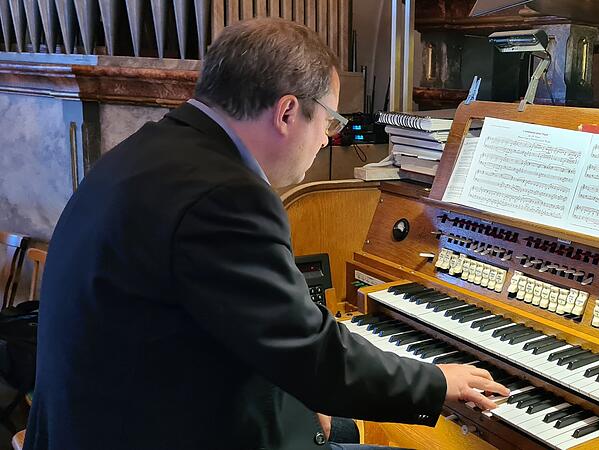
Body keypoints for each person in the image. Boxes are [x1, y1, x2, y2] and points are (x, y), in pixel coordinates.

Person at [24, 17, 508, 450]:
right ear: (287, 112)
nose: (328, 139)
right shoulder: (226, 196)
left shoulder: (149, 151)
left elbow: (231, 331)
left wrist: (303, 395)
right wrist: (436, 381)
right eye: (330, 121)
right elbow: (313, 357)